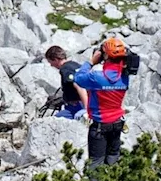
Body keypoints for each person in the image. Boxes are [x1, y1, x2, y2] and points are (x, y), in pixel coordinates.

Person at [74, 37, 131, 168]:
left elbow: (78, 78)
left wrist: (91, 62)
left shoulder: (96, 78)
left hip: (99, 125)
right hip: (117, 123)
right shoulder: (124, 77)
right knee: (113, 159)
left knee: (95, 163)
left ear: (105, 55)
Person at [44, 45, 87, 120]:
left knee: (54, 122)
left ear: (55, 59)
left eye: (50, 62)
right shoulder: (75, 64)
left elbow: (79, 86)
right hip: (88, 101)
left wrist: (87, 109)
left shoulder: (65, 70)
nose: (51, 65)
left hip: (76, 106)